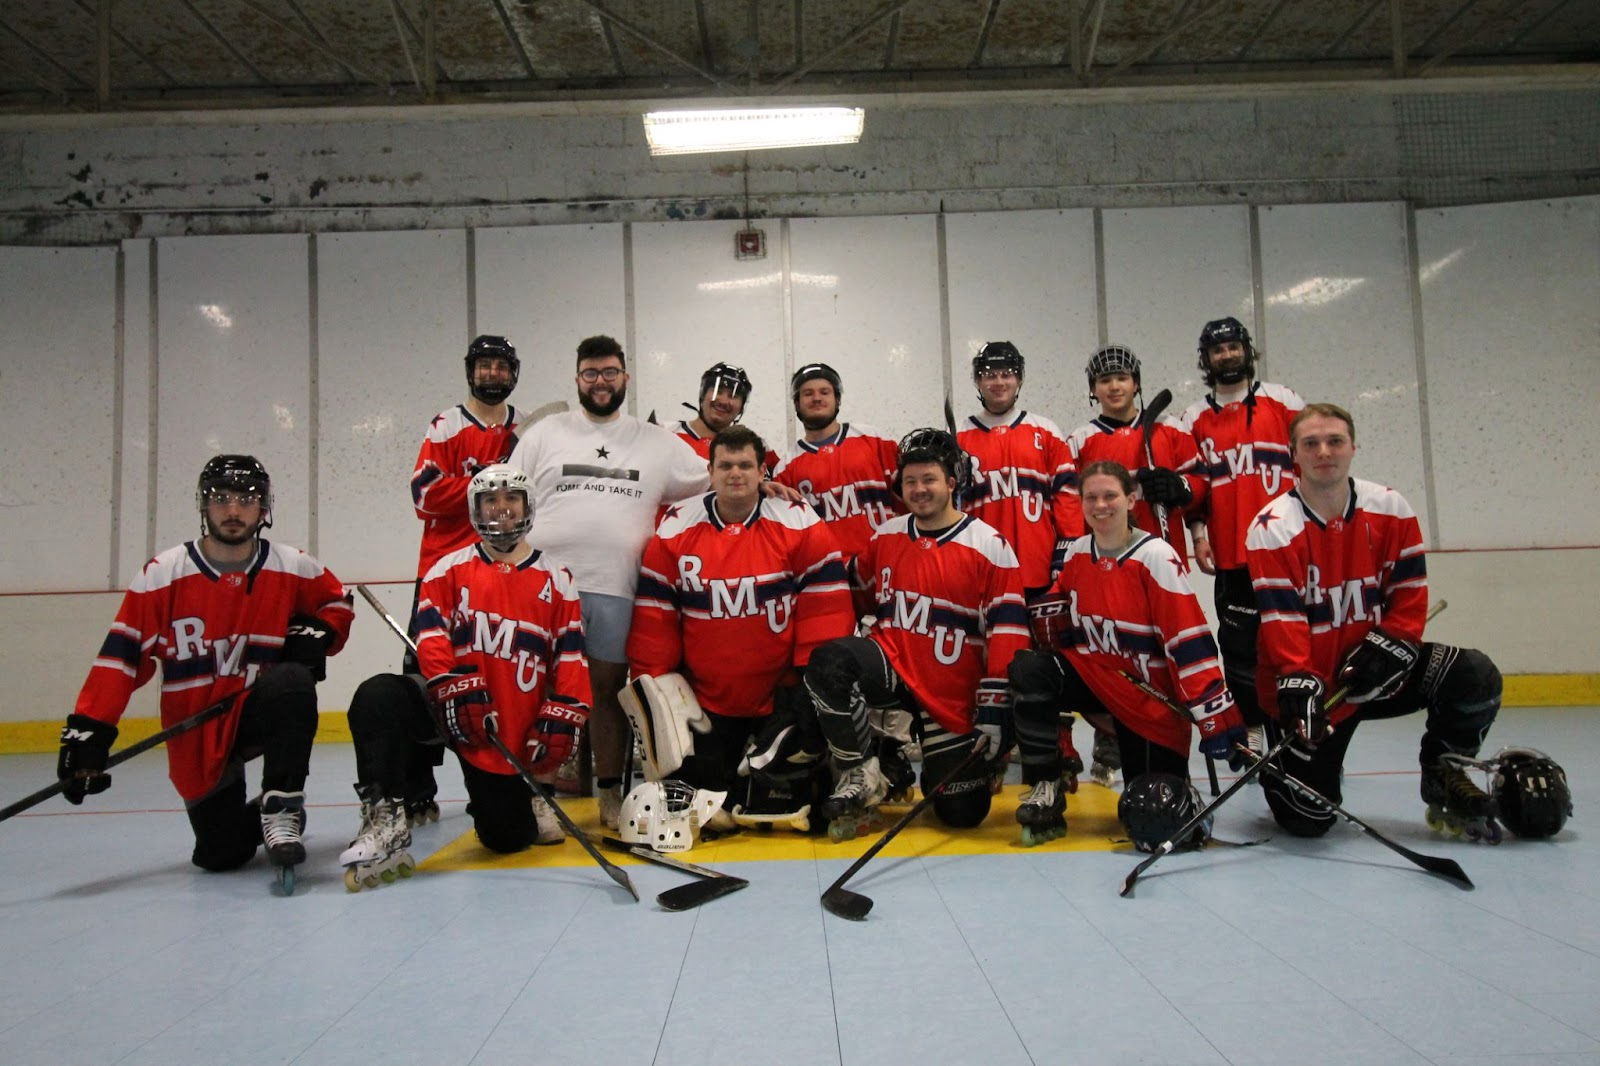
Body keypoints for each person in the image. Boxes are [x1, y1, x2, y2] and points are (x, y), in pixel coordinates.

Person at [507, 336, 793, 828]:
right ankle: (539, 796)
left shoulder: (656, 442)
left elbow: (717, 475)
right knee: (541, 692)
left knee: (609, 695)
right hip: (544, 589)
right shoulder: (544, 434)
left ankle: (609, 794)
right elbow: (507, 495)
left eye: (610, 372)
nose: (601, 381)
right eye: (591, 373)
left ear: (626, 377)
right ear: (577, 379)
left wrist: (760, 483)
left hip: (616, 588)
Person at [57, 455, 353, 875]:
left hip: (255, 710)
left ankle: (282, 805)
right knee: (221, 854)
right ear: (203, 504)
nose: (233, 510)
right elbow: (120, 660)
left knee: (292, 682)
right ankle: (252, 818)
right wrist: (90, 733)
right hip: (196, 727)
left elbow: (337, 602)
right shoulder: (162, 575)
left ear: (264, 507)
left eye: (246, 499)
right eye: (221, 498)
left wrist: (318, 632)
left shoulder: (292, 565)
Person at [1246, 403, 1503, 840]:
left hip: (1375, 671)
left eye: (1335, 441)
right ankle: (1281, 772)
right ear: (1293, 453)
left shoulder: (1390, 507)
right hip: (1314, 692)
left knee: (1473, 675)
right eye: (1311, 443)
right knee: (1307, 820)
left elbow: (1409, 592)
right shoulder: (1272, 526)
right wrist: (1298, 677)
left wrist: (1395, 642)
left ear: (1353, 447)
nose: (1324, 451)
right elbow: (1281, 618)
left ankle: (1444, 771)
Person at [340, 465, 591, 888]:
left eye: (511, 499)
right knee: (378, 696)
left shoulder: (557, 578)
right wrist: (450, 686)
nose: (501, 508)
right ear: (475, 509)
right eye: (490, 500)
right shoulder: (446, 569)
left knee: (507, 839)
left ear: (528, 506)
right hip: (449, 709)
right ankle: (385, 815)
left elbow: (570, 655)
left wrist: (566, 710)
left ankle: (510, 800)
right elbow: (431, 637)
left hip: (502, 730)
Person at [625, 425, 856, 838]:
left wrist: (812, 681)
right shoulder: (676, 526)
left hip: (781, 694)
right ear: (710, 472)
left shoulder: (796, 518)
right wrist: (655, 683)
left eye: (746, 465)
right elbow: (655, 616)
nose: (736, 473)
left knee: (792, 798)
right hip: (707, 700)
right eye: (726, 465)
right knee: (708, 799)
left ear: (762, 472)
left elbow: (825, 605)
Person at [804, 428, 1031, 840]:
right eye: (910, 481)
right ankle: (862, 772)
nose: (919, 489)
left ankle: (927, 762)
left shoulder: (989, 544)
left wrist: (996, 701)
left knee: (961, 813)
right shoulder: (887, 534)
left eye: (929, 479)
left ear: (952, 483)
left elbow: (1009, 629)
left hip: (951, 692)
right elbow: (854, 592)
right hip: (893, 665)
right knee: (830, 663)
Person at [1009, 461, 1244, 848]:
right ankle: (1046, 783)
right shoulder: (1077, 552)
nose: (1100, 505)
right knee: (1030, 668)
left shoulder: (1156, 557)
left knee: (1151, 815)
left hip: (1149, 700)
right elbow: (1058, 602)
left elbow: (1187, 637)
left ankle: (1181, 794)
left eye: (1110, 496)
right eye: (1091, 497)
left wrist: (1213, 710)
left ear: (1131, 499)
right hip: (1097, 678)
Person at [1065, 343, 1208, 785]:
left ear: (1136, 383)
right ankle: (1110, 738)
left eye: (1122, 378)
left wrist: (1179, 487)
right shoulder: (1081, 439)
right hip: (1107, 567)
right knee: (1112, 650)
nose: (1114, 386)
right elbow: (1072, 501)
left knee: (1162, 654)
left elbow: (1201, 482)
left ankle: (1168, 738)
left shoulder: (1169, 430)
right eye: (1104, 380)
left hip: (1160, 560)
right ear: (1093, 389)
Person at [403, 334, 526, 821]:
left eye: (501, 366)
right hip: (442, 575)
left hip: (501, 574)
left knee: (501, 676)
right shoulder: (447, 425)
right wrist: (490, 480)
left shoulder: (525, 428)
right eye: (484, 365)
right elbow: (424, 495)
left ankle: (503, 781)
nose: (492, 374)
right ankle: (417, 787)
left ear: (513, 373)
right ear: (470, 370)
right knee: (423, 678)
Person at [957, 342, 1084, 782]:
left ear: (1019, 378)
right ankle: (995, 746)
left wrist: (1067, 549)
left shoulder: (1045, 431)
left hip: (1037, 568)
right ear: (978, 381)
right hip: (985, 574)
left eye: (1006, 373)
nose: (999, 381)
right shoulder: (961, 437)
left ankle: (1058, 743)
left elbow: (1067, 494)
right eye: (989, 374)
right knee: (987, 662)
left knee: (1047, 660)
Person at [1174, 317, 1304, 731]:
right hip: (1232, 553)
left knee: (1294, 640)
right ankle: (1251, 731)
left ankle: (1300, 723)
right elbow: (1194, 487)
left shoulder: (1283, 400)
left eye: (1233, 347)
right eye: (1218, 350)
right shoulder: (1192, 418)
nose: (1227, 355)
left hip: (1287, 550)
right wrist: (1198, 536)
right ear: (1206, 359)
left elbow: (1309, 467)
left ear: (1247, 350)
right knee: (1238, 647)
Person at [771, 362, 903, 576]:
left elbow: (906, 498)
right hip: (829, 577)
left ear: (837, 399)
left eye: (825, 392)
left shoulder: (874, 439)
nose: (816, 398)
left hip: (886, 564)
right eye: (808, 393)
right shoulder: (785, 469)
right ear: (796, 403)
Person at [668, 362, 781, 474]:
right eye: (718, 391)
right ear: (703, 395)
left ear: (741, 408)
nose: (723, 401)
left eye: (733, 396)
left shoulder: (756, 446)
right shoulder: (667, 433)